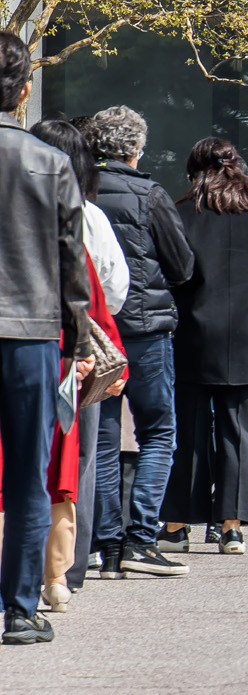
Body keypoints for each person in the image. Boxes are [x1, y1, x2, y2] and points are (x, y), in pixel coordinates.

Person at [0, 40, 91, 645]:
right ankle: (19, 606)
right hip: (32, 333)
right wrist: (78, 338)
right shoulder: (48, 163)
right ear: (24, 89)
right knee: (31, 476)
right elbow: (70, 263)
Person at [82, 104, 192, 581]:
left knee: (103, 438)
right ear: (134, 148)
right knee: (159, 432)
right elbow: (183, 264)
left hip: (96, 330)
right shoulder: (150, 193)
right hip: (146, 330)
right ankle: (141, 539)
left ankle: (105, 545)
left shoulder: (77, 192)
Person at [160, 138, 248, 558]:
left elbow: (173, 276)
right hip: (247, 334)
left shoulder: (182, 213)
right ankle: (231, 526)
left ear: (194, 172)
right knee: (240, 434)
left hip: (194, 332)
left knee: (189, 434)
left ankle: (177, 524)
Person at [26, 119, 122, 618]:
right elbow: (101, 293)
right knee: (66, 461)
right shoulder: (81, 222)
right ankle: (57, 573)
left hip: (27, 347)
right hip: (66, 354)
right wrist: (95, 349)